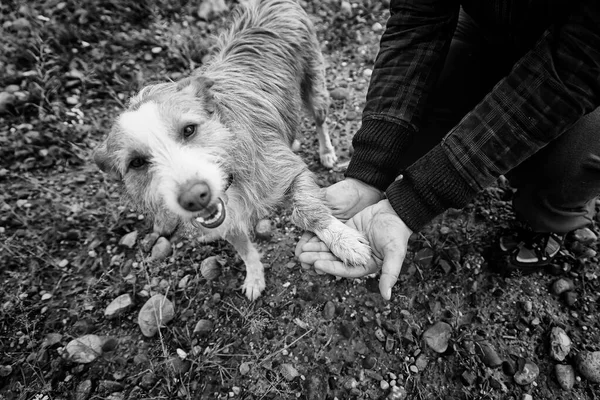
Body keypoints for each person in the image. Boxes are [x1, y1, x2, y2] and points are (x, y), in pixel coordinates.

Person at [295, 0, 600, 301]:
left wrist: (419, 199)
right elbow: (415, 21)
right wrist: (370, 168)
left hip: (587, 73)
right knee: (415, 115)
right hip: (488, 28)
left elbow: (573, 72)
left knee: (569, 162)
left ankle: (546, 219)